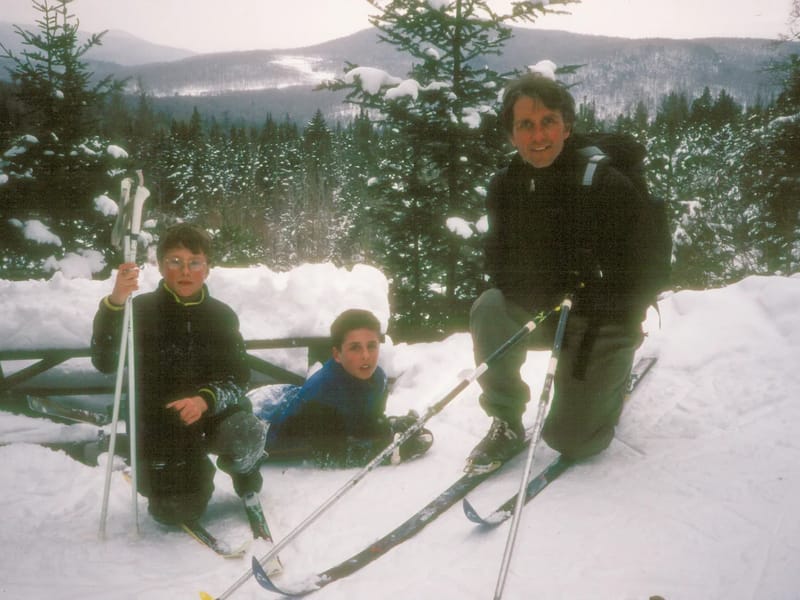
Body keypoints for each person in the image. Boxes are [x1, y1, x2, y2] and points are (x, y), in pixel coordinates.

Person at [466, 73, 652, 473]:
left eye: (548, 121)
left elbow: (646, 273)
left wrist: (591, 294)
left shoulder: (604, 183)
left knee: (573, 441)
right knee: (490, 306)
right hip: (549, 311)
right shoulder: (506, 185)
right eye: (525, 125)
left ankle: (610, 384)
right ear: (511, 133)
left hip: (604, 320)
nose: (538, 136)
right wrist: (546, 289)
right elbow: (497, 262)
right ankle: (505, 419)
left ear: (567, 126)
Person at [91, 223, 270, 537]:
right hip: (163, 424)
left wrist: (204, 400)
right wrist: (117, 301)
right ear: (160, 266)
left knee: (246, 432)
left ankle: (245, 478)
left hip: (213, 413)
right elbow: (105, 362)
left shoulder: (221, 315)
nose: (185, 271)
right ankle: (192, 478)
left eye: (195, 262)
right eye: (175, 261)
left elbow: (238, 377)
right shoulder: (138, 310)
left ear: (207, 268)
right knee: (172, 513)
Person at [254, 309, 433, 467]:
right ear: (337, 354)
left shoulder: (377, 377)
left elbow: (365, 421)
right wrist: (394, 451)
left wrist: (391, 425)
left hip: (292, 397)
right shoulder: (322, 396)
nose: (366, 356)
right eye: (355, 348)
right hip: (265, 419)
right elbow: (331, 453)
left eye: (372, 346)